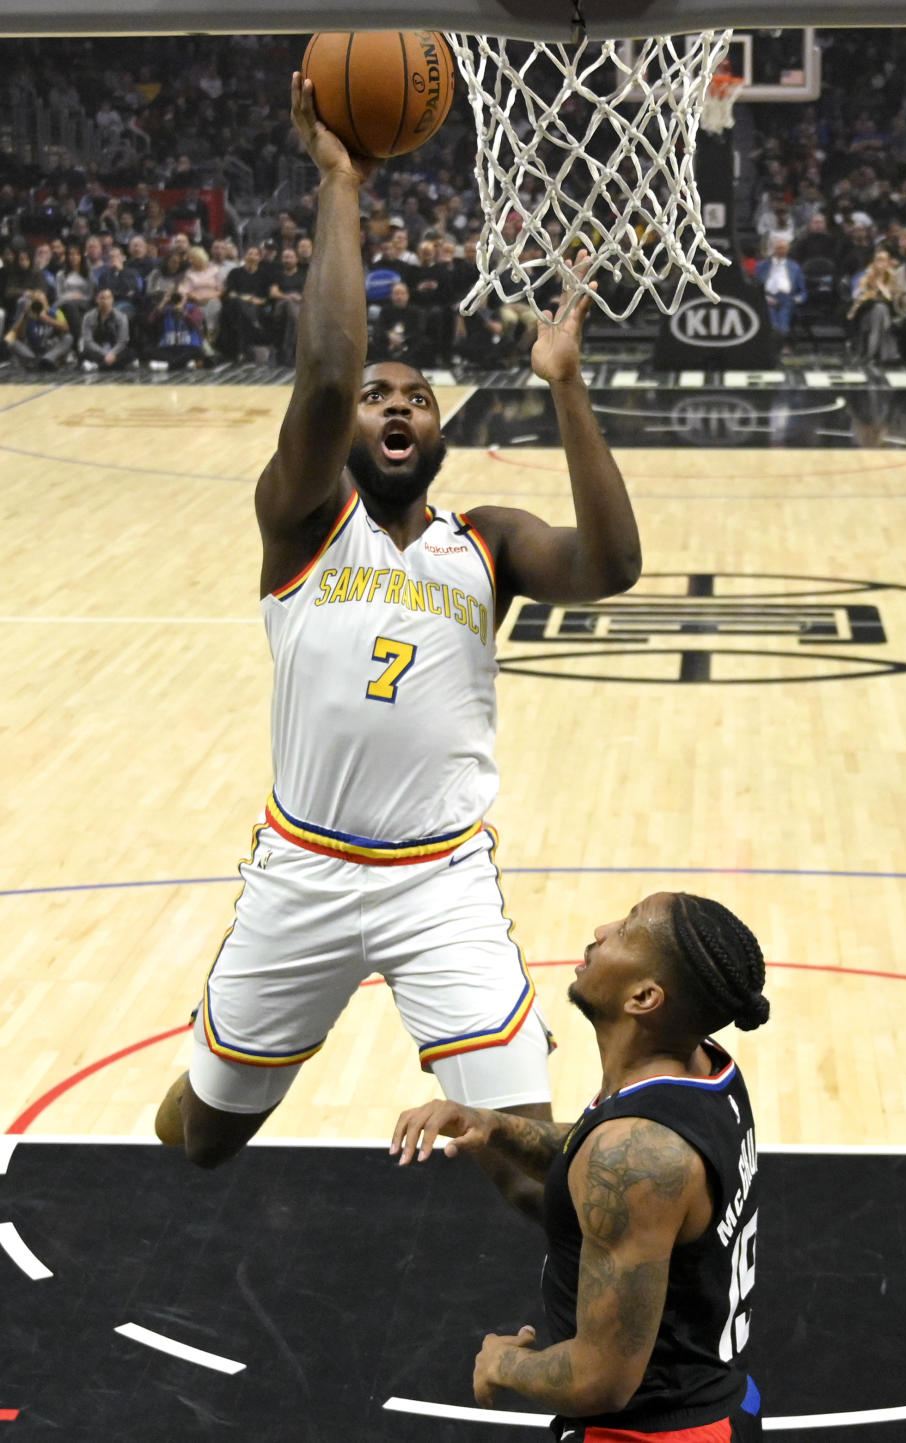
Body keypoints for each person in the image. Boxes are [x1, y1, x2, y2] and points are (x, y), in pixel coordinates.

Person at [154, 70, 641, 1180]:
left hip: (441, 882)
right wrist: (339, 182)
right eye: (379, 395)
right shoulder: (303, 524)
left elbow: (612, 567)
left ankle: (630, 1325)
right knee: (204, 1140)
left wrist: (566, 386)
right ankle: (213, 1060)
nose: (395, 405)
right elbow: (323, 373)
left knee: (530, 1169)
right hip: (304, 874)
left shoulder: (490, 542)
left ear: (441, 433)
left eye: (417, 397)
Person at [392, 890, 769, 1442]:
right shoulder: (703, 1069)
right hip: (717, 1398)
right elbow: (600, 1155)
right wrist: (494, 1126)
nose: (601, 928)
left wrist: (502, 1363)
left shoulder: (638, 1150)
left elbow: (601, 1379)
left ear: (644, 997)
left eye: (627, 931)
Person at [847, 248, 900, 364]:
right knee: (877, 312)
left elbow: (893, 296)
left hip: (888, 309)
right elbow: (856, 295)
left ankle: (870, 354)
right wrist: (869, 286)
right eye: (878, 260)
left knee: (880, 310)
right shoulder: (865, 275)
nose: (881, 263)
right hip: (866, 310)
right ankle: (876, 354)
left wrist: (879, 286)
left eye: (884, 260)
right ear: (874, 262)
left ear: (888, 262)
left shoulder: (892, 276)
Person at [755, 238, 807, 350]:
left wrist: (796, 299)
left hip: (788, 298)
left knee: (785, 310)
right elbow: (756, 285)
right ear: (773, 249)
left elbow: (803, 292)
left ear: (788, 250)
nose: (780, 250)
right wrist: (764, 297)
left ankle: (783, 340)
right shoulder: (762, 266)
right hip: (767, 296)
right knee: (769, 311)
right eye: (778, 248)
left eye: (783, 248)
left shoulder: (795, 267)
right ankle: (774, 341)